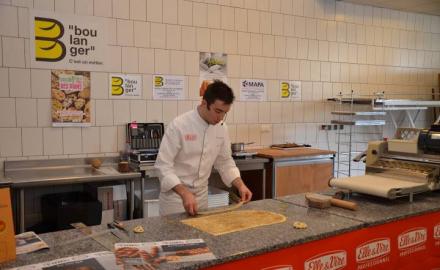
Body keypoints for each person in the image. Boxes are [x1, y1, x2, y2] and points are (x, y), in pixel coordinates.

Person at [154, 80, 253, 216]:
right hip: (175, 199)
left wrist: (240, 185)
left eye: (225, 112)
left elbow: (225, 162)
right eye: (217, 111)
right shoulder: (179, 125)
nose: (220, 118)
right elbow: (163, 166)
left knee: (200, 236)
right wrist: (184, 192)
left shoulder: (221, 128)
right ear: (204, 103)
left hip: (201, 198)